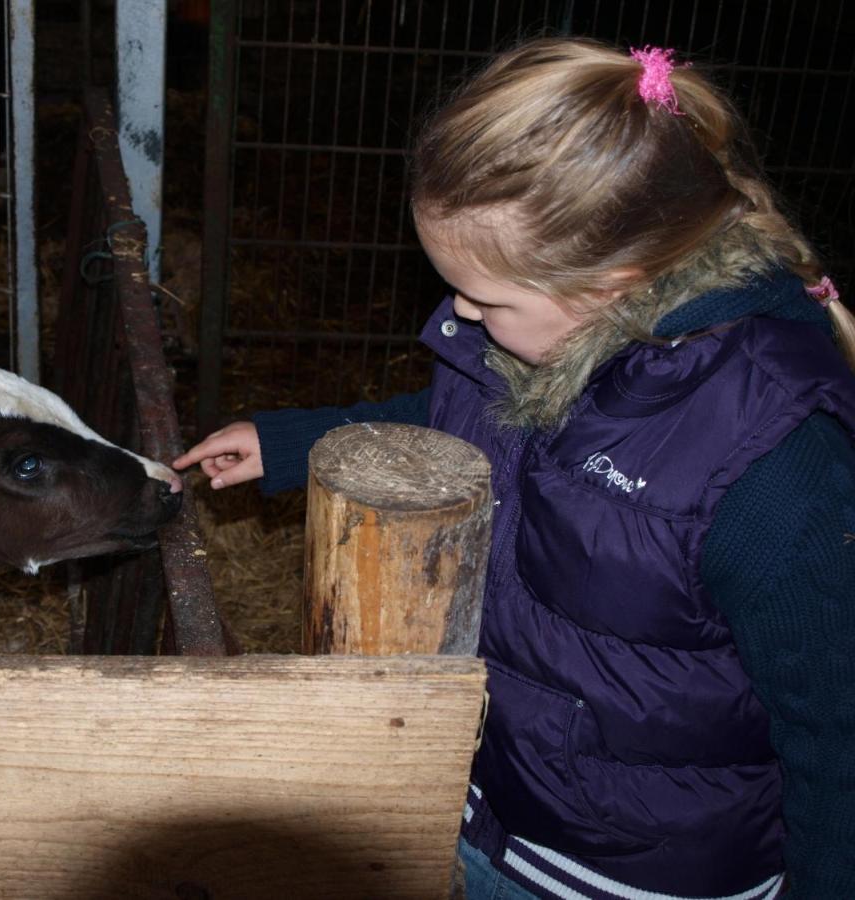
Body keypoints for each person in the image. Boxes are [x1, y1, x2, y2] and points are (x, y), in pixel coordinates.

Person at [173, 38, 855, 900]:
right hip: (491, 798)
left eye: (487, 299)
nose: (458, 311)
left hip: (633, 873)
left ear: (619, 280)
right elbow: (468, 426)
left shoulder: (775, 465)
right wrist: (296, 441)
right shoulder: (555, 345)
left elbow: (835, 731)